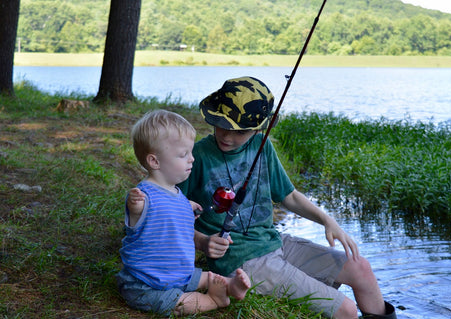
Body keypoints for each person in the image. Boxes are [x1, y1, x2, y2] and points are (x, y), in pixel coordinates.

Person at [178, 77, 397, 319]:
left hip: (273, 242)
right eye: (221, 124)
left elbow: (288, 196)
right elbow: (169, 214)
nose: (227, 135)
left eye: (239, 131)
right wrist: (202, 242)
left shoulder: (262, 145)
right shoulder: (196, 156)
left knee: (361, 268)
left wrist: (327, 221)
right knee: (345, 310)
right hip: (241, 261)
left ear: (260, 129)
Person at [116, 109, 251, 317]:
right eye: (183, 155)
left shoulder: (176, 192)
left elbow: (170, 205)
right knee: (176, 303)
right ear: (154, 162)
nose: (192, 159)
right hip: (147, 282)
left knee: (206, 277)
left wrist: (186, 207)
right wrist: (134, 206)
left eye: (190, 153)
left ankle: (230, 285)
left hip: (179, 272)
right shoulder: (144, 197)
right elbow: (139, 216)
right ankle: (213, 300)